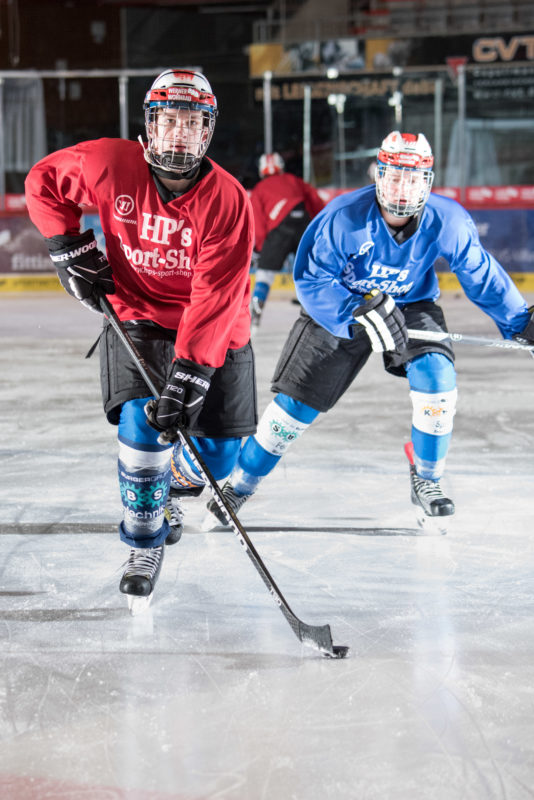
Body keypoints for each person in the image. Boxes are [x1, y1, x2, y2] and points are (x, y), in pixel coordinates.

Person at [201, 130, 534, 534]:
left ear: (427, 182)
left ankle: (427, 477)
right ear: (378, 175)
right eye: (394, 175)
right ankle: (240, 484)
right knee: (294, 410)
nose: (402, 186)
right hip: (344, 304)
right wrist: (352, 311)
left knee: (438, 381)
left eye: (413, 178)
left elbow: (482, 276)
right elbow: (311, 279)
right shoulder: (344, 217)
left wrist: (521, 321)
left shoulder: (448, 220)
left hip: (410, 306)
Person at [25, 69, 256, 610]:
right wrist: (68, 247)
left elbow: (215, 295)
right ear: (149, 126)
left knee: (220, 460)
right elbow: (43, 181)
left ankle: (174, 484)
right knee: (142, 424)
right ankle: (144, 543)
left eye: (193, 123)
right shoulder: (109, 163)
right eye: (169, 120)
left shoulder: (228, 199)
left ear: (208, 132)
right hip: (139, 315)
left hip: (215, 326)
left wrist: (192, 372)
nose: (179, 133)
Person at [249, 152, 325, 327]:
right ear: (281, 166)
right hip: (304, 225)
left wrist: (261, 248)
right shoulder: (293, 179)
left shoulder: (260, 189)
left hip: (279, 230)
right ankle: (317, 310)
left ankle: (256, 312)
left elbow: (258, 222)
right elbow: (316, 202)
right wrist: (318, 229)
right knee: (311, 270)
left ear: (262, 170)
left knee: (265, 273)